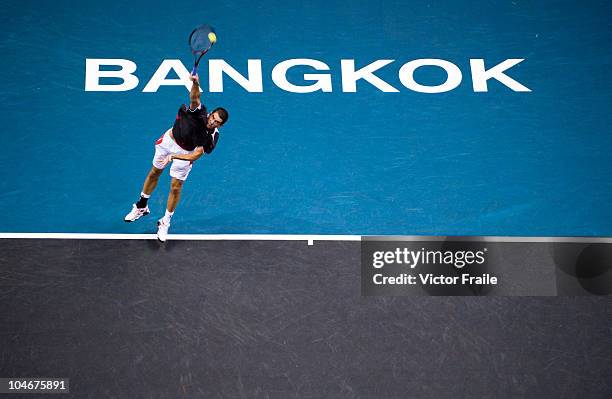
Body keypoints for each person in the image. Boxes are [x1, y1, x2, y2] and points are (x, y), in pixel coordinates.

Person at [124, 74, 228, 241]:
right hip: (168, 141)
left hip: (185, 154)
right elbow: (195, 97)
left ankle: (165, 222)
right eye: (213, 118)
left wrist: (174, 156)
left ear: (220, 125)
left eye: (217, 122)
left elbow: (197, 154)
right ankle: (141, 206)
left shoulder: (212, 137)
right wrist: (195, 83)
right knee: (154, 172)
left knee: (175, 187)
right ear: (211, 114)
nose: (212, 122)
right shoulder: (199, 113)